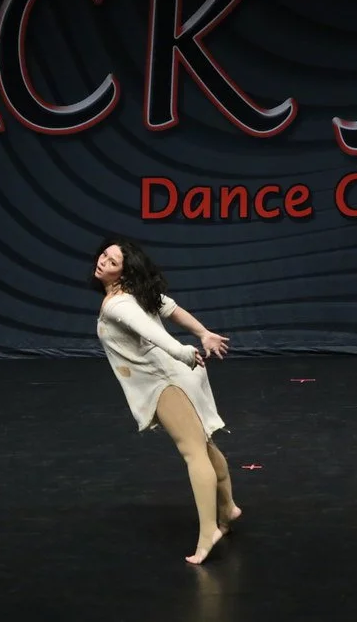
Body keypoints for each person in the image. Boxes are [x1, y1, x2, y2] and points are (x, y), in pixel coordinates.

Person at [90, 236, 242, 564]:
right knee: (204, 445)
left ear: (123, 273)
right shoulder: (135, 292)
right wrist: (203, 333)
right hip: (178, 374)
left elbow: (152, 332)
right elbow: (171, 309)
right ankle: (228, 507)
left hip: (167, 382)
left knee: (193, 453)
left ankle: (208, 532)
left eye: (112, 262)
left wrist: (183, 350)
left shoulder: (119, 305)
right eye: (104, 255)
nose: (102, 261)